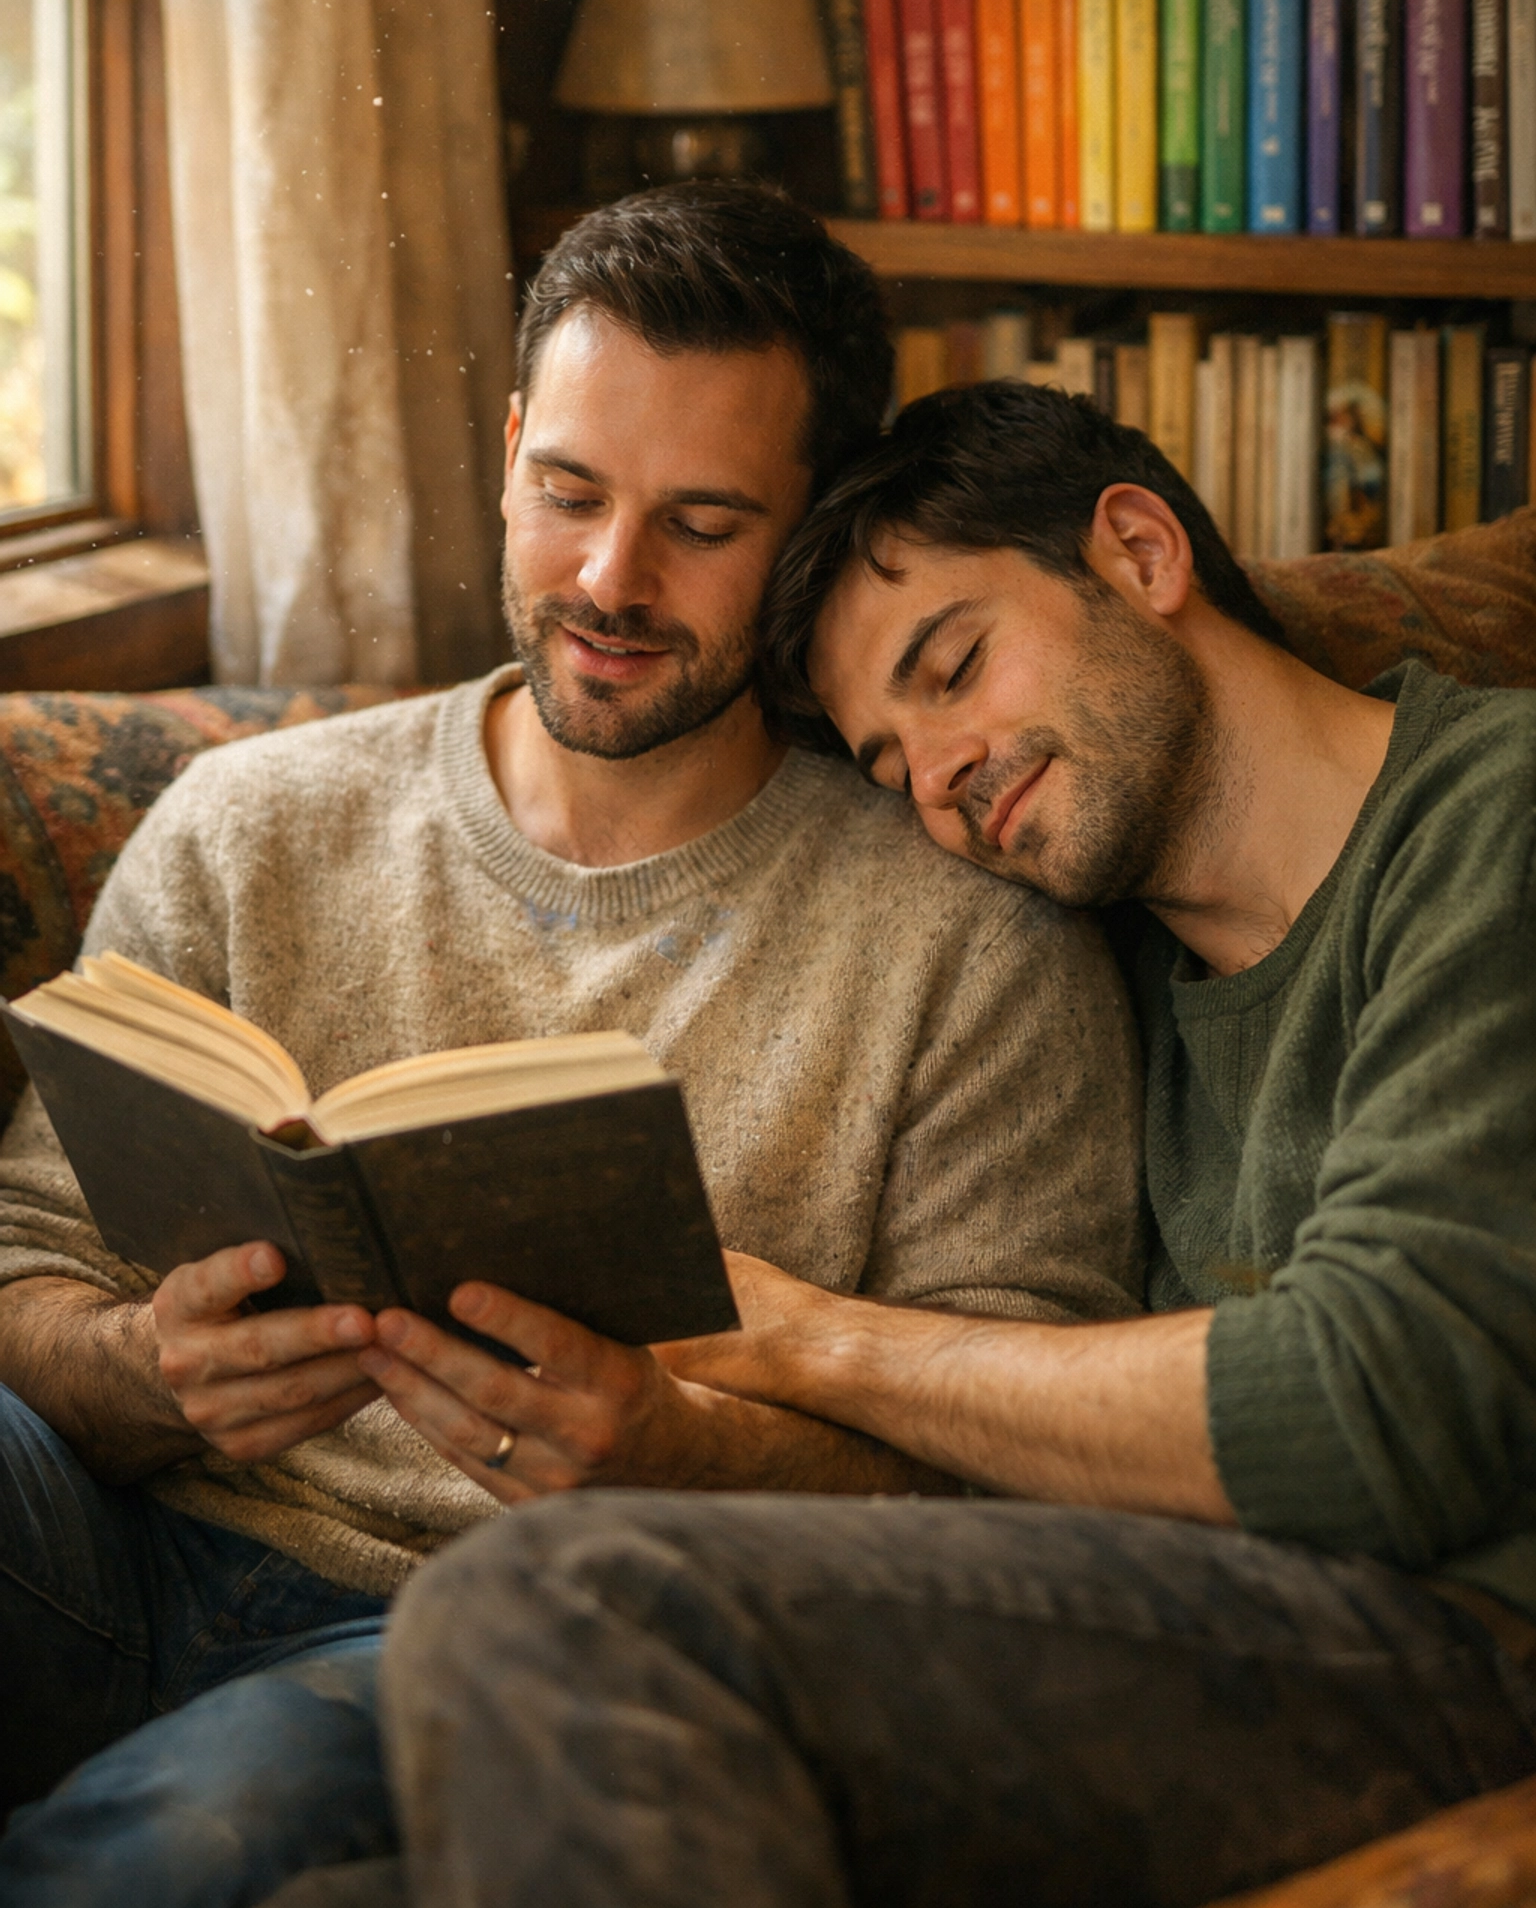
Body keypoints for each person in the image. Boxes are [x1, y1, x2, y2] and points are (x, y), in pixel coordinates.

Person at [0, 198, 1143, 1905]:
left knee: (179, 1852)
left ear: (811, 535)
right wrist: (144, 1371)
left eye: (701, 522)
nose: (612, 582)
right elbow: (25, 1265)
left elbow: (1012, 1476)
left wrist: (692, 1454)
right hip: (105, 1535)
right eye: (572, 493)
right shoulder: (252, 826)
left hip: (500, 1635)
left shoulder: (970, 939)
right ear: (514, 445)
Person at [380, 377, 1536, 1908]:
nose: (938, 776)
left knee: (561, 1609)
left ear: (1138, 550)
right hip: (1198, 1624)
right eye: (883, 760)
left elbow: (1383, 1404)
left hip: (1472, 1634)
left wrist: (814, 1345)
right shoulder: (1105, 978)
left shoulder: (1494, 819)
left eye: (955, 666)